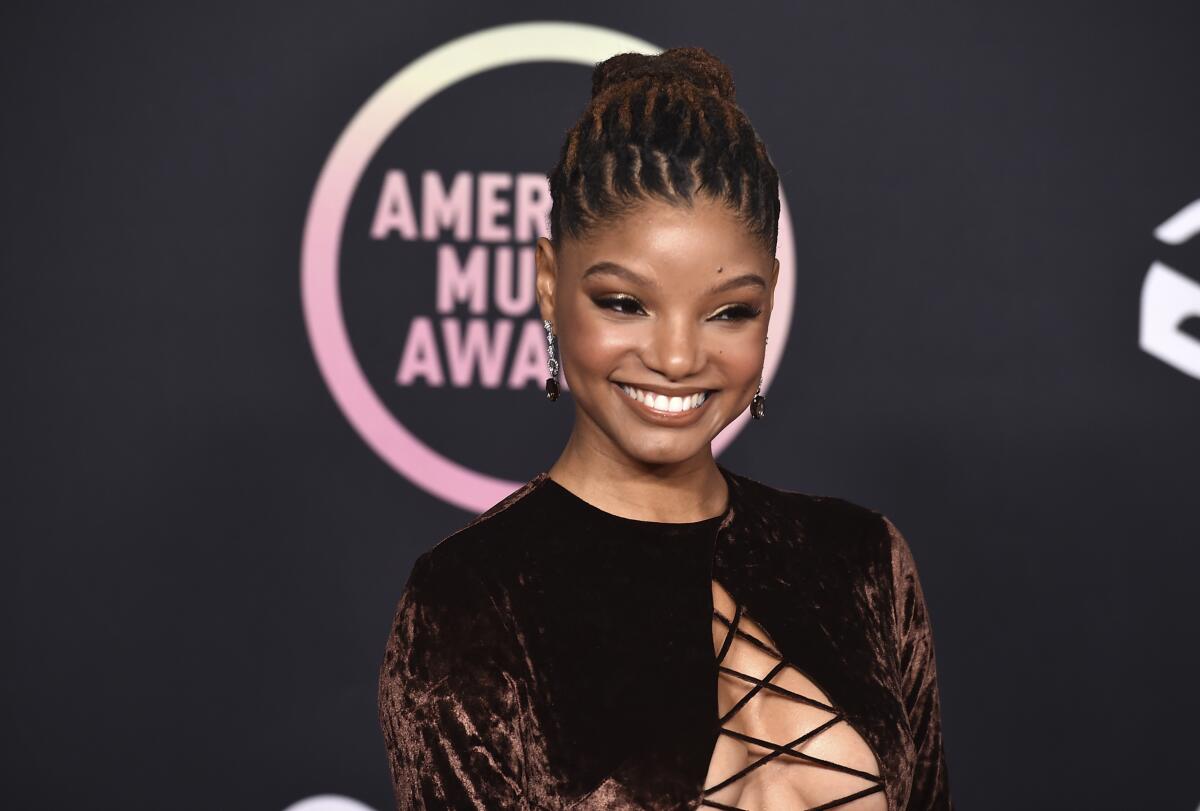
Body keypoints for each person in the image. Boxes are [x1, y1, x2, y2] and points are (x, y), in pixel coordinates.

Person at [378, 46, 952, 811]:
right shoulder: (473, 602)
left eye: (729, 311)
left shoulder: (862, 563)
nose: (678, 357)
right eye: (625, 303)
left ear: (771, 298)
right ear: (549, 285)